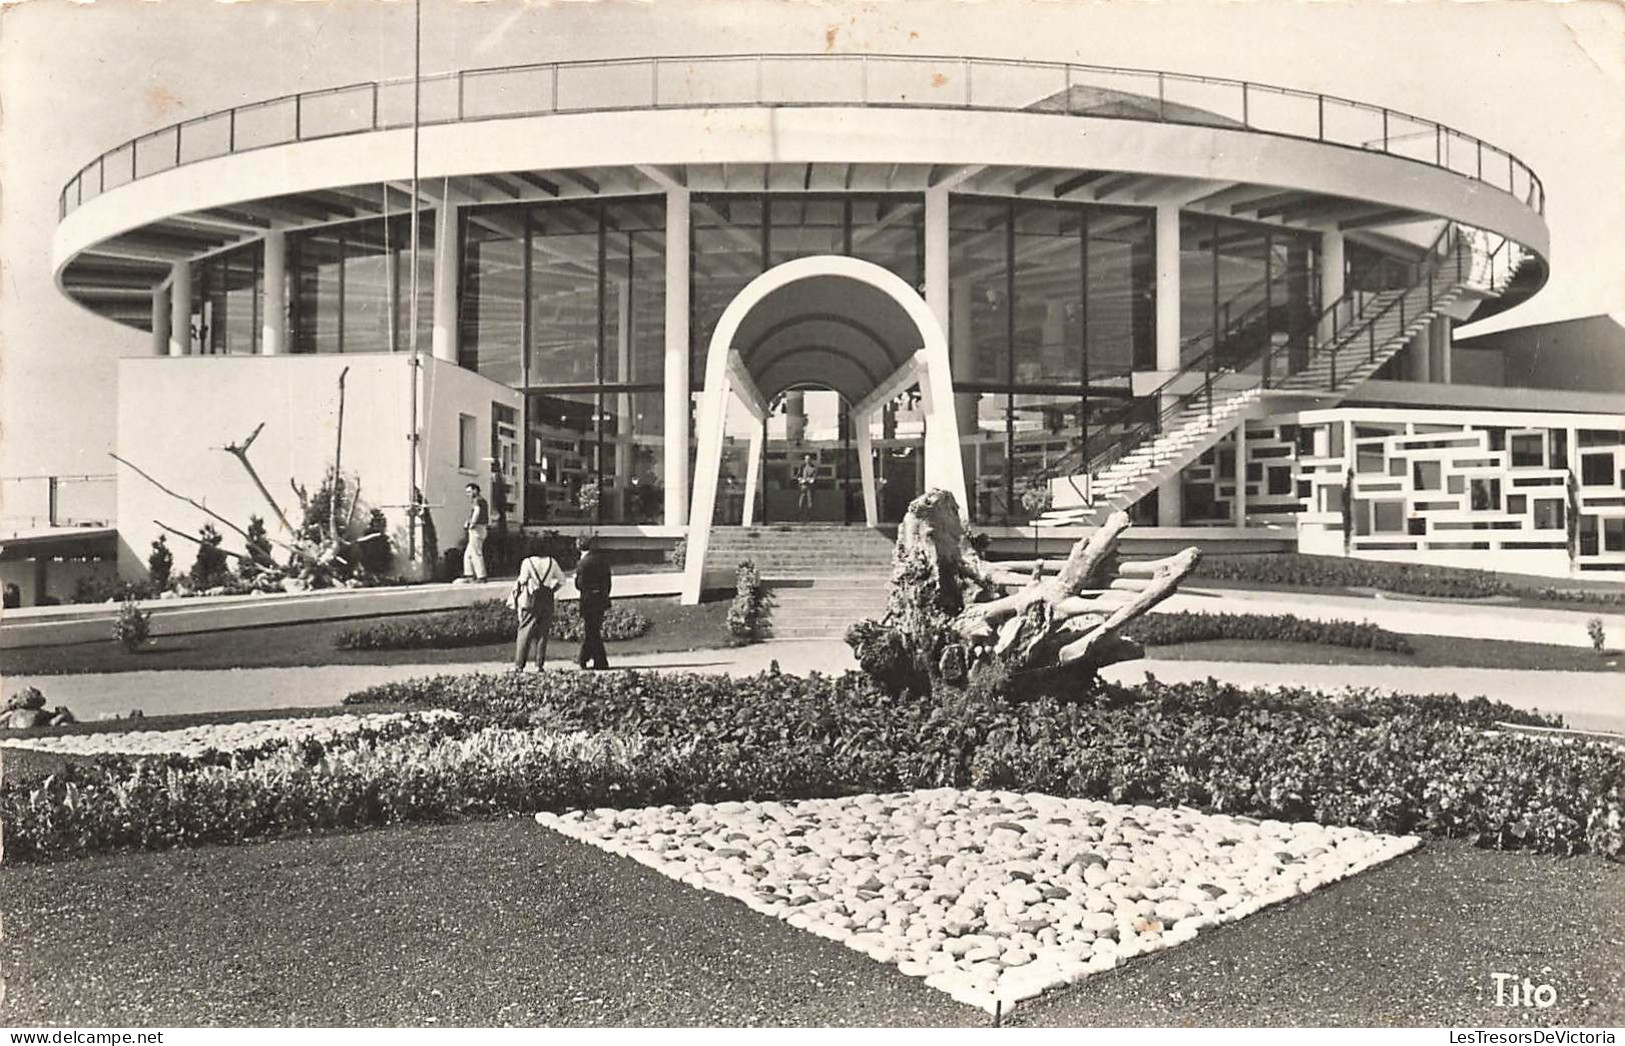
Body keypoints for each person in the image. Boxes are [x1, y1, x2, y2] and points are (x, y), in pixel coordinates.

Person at [510, 548, 564, 671]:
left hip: (532, 598)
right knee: (542, 633)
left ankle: (519, 665)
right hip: (547, 598)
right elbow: (562, 580)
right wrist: (552, 590)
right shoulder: (551, 561)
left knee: (525, 631)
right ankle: (539, 665)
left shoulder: (527, 562)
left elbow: (522, 580)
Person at [573, 534, 613, 670]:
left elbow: (579, 584)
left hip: (588, 600)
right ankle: (588, 658)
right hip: (601, 598)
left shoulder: (583, 563)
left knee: (591, 631)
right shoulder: (602, 560)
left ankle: (593, 660)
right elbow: (608, 582)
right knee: (593, 630)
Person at [461, 483, 489, 583]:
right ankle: (469, 574)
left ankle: (481, 576)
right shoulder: (483, 501)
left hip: (477, 528)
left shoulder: (477, 500)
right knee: (468, 554)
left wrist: (472, 523)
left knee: (476, 553)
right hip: (481, 528)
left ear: (475, 490)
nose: (468, 494)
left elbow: (477, 511)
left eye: (469, 491)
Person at [796, 454, 818, 522]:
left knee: (810, 503)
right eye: (806, 459)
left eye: (809, 459)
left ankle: (809, 518)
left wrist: (807, 479)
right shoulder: (802, 467)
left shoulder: (813, 468)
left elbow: (813, 479)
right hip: (802, 487)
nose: (807, 460)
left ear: (811, 460)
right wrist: (802, 480)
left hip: (810, 488)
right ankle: (801, 517)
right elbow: (798, 477)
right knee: (801, 503)